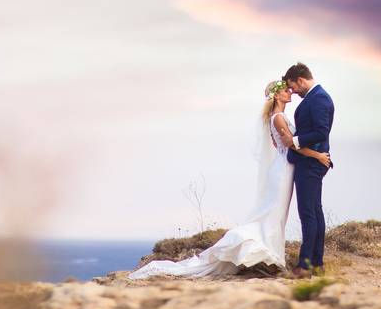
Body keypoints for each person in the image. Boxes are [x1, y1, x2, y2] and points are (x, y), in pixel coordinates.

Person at [128, 77, 331, 280]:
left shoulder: (280, 117)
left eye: (289, 89)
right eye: (285, 90)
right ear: (276, 95)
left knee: (277, 214)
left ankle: (272, 254)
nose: (290, 92)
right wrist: (318, 155)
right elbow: (291, 145)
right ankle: (256, 248)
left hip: (286, 168)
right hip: (283, 171)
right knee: (272, 212)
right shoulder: (278, 118)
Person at [278, 62, 335, 277]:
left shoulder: (318, 98)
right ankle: (317, 263)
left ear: (300, 80)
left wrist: (295, 140)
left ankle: (304, 265)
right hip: (311, 162)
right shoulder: (317, 97)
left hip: (310, 164)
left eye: (293, 86)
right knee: (315, 212)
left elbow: (321, 132)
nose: (293, 91)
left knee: (308, 214)